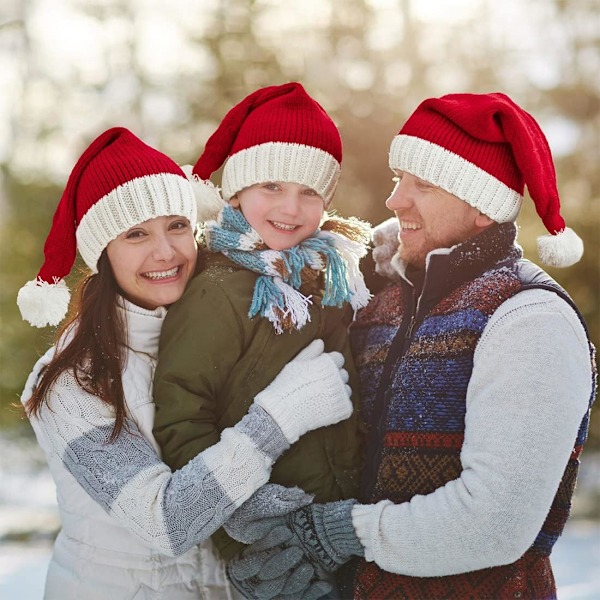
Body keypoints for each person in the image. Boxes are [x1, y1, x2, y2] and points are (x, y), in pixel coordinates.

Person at [222, 92, 597, 599]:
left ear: (481, 207)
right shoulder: (385, 303)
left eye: (421, 184)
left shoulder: (528, 319)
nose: (395, 200)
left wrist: (338, 532)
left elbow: (494, 523)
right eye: (399, 179)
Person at [16, 126, 355, 600]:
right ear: (102, 255)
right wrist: (281, 417)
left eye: (177, 225)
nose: (166, 252)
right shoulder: (72, 382)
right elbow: (166, 522)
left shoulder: (213, 332)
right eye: (136, 234)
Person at [152, 82, 372, 572]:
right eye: (271, 187)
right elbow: (182, 418)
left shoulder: (330, 274)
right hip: (266, 540)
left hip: (336, 527)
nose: (290, 209)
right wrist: (244, 525)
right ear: (236, 190)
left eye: (309, 192)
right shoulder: (217, 292)